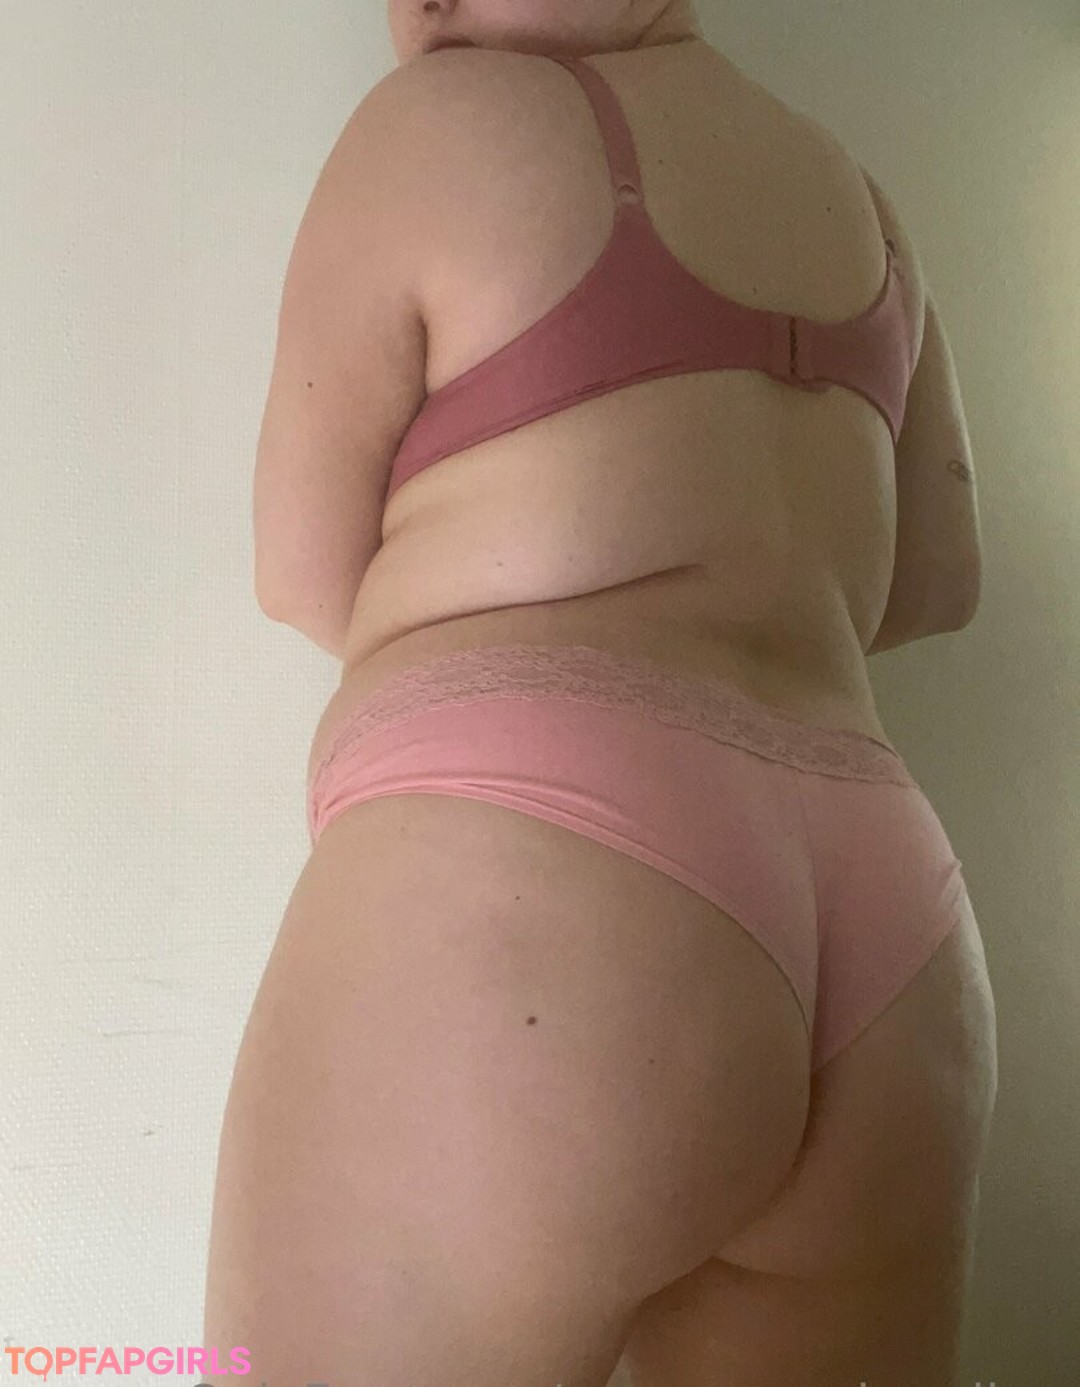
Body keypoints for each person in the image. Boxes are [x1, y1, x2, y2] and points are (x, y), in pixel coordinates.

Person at [205, 3, 997, 1383]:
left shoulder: (438, 126)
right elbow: (937, 582)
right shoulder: (860, 205)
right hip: (894, 931)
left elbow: (303, 570)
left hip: (550, 877)